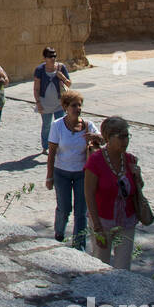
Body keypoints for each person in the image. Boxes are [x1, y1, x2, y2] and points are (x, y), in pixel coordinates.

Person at [85, 116, 143, 269]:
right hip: (103, 222)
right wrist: (97, 226)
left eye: (127, 136)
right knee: (100, 265)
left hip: (127, 221)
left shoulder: (130, 160)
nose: (126, 141)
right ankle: (95, 295)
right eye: (121, 136)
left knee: (123, 268)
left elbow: (137, 190)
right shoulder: (95, 161)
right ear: (108, 137)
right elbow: (89, 194)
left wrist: (138, 177)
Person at [44, 91, 99, 249]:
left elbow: (103, 139)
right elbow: (52, 152)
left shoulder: (88, 126)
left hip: (83, 174)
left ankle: (79, 245)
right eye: (74, 105)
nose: (77, 108)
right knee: (64, 207)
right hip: (62, 173)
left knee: (81, 211)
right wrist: (49, 177)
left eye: (79, 105)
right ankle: (59, 232)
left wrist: (97, 138)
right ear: (65, 107)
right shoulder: (57, 126)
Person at [33, 47, 72, 154]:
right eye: (50, 56)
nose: (53, 58)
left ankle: (60, 145)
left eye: (54, 56)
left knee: (61, 125)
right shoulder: (39, 70)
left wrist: (62, 77)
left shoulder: (61, 67)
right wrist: (38, 103)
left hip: (60, 103)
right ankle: (45, 146)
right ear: (45, 58)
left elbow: (69, 84)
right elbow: (36, 88)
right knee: (46, 125)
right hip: (45, 103)